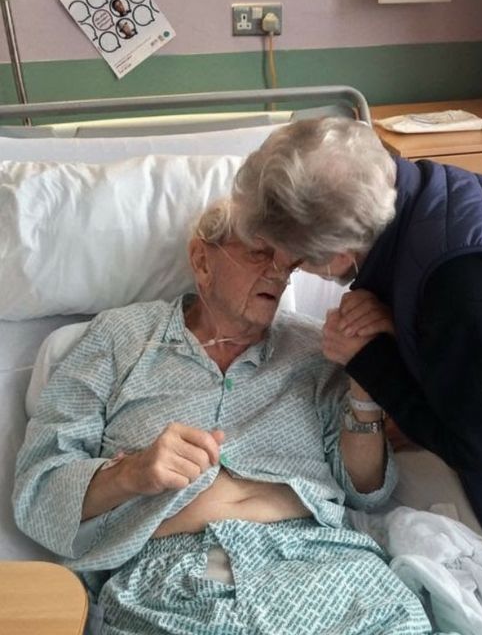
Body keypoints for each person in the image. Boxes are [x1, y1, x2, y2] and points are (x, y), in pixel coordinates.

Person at [12, 199, 432, 634]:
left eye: (288, 262)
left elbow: (366, 492)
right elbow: (38, 495)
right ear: (202, 260)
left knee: (400, 621)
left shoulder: (315, 350)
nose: (278, 273)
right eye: (259, 253)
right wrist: (131, 473)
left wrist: (365, 383)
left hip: (322, 560)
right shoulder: (120, 337)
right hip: (185, 569)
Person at [232, 116, 482, 556]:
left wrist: (372, 360)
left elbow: (481, 451)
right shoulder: (419, 192)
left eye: (297, 262)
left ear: (340, 254)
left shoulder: (459, 288)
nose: (284, 272)